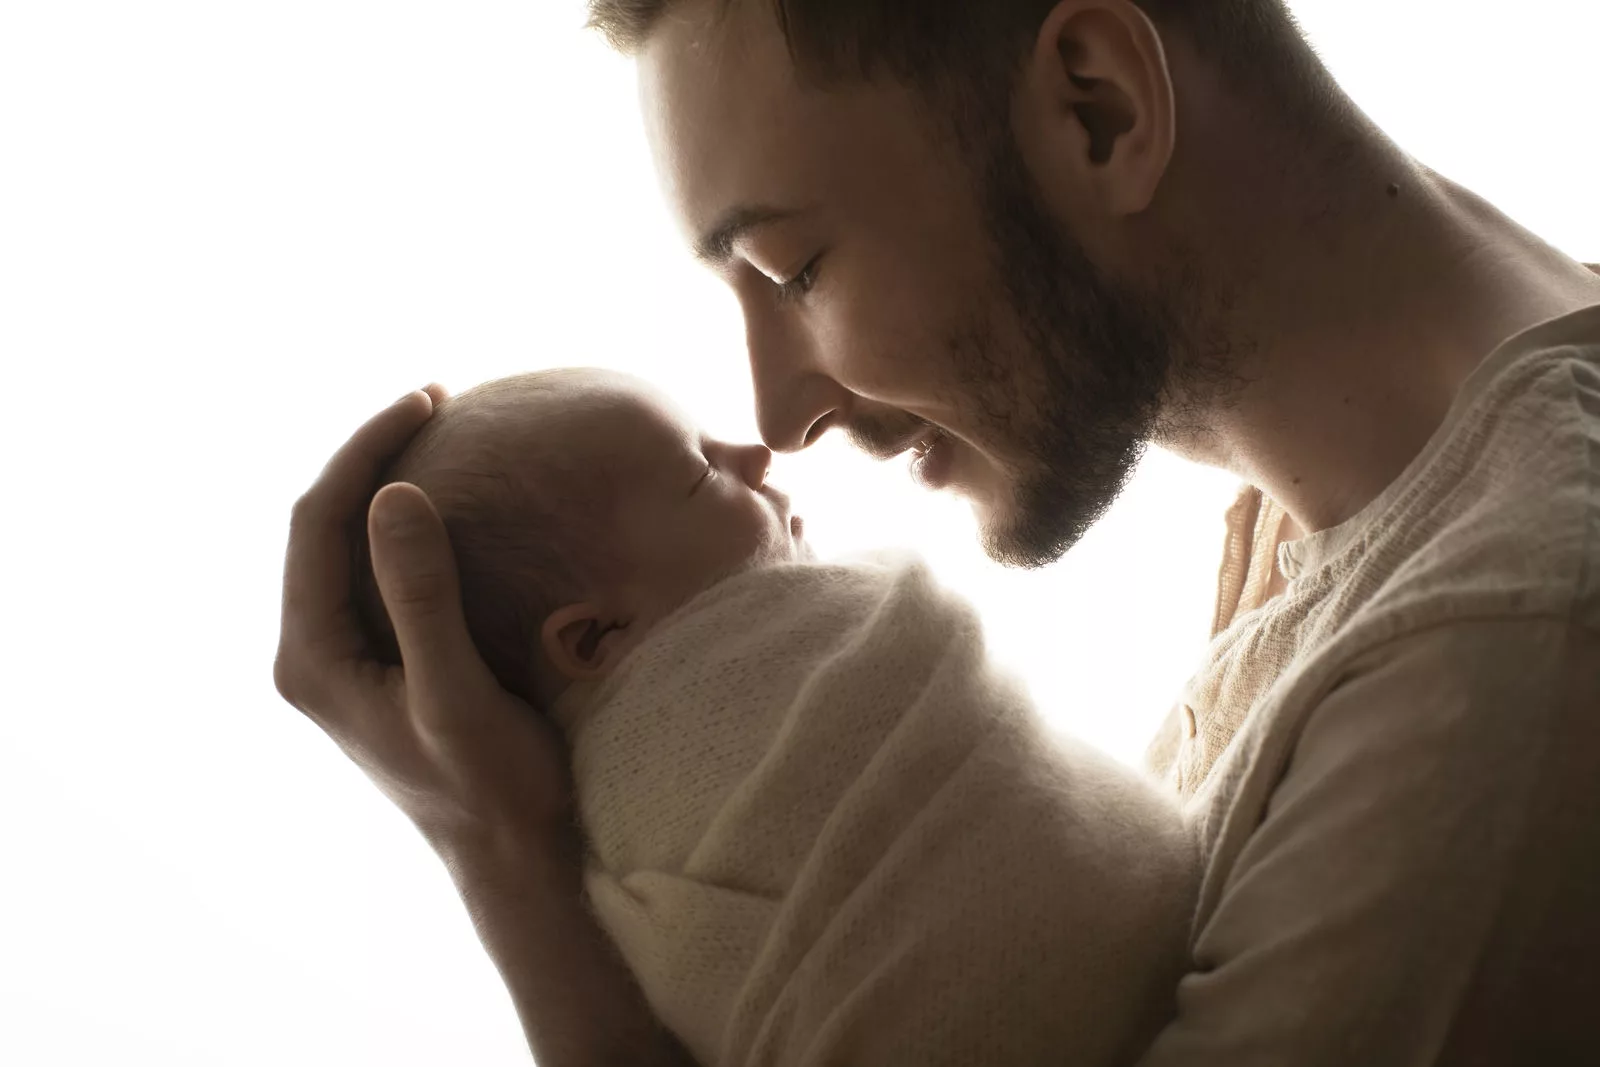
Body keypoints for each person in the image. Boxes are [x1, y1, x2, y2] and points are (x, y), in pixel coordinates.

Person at [273, 0, 1600, 1062]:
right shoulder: (1342, 496)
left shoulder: (1494, 646)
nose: (779, 411)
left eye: (795, 271)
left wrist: (506, 860)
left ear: (1098, 108)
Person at [349, 368, 1197, 1066]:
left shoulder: (577, 871)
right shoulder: (735, 687)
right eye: (699, 473)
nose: (755, 452)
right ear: (597, 634)